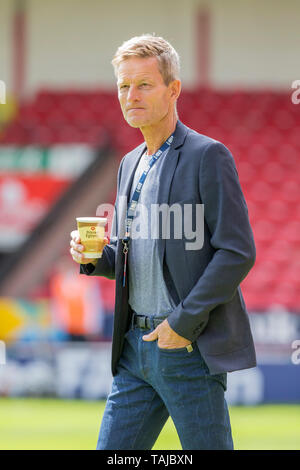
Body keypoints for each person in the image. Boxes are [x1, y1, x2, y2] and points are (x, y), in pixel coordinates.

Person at [70, 34, 256, 450]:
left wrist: (182, 324)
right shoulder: (129, 163)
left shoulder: (209, 156)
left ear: (173, 90)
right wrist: (95, 257)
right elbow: (132, 256)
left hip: (184, 347)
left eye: (143, 84)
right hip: (133, 352)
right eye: (123, 86)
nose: (130, 95)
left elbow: (237, 252)